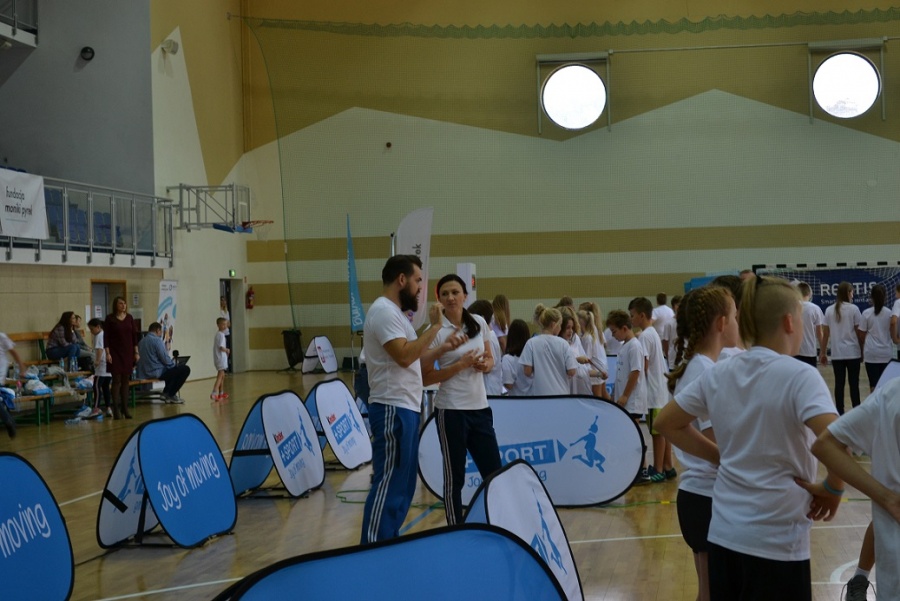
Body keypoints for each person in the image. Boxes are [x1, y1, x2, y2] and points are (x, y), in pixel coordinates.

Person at [656, 276, 843, 601]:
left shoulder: (720, 372)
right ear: (790, 322)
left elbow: (666, 423)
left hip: (725, 533)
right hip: (777, 538)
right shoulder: (800, 375)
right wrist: (833, 488)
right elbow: (837, 439)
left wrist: (721, 458)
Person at [360, 255, 466, 544]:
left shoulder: (396, 315)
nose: (421, 287)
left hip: (405, 406)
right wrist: (435, 328)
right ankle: (372, 547)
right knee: (390, 482)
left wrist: (442, 348)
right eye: (418, 280)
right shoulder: (383, 311)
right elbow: (405, 356)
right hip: (391, 407)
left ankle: (388, 541)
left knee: (404, 484)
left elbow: (415, 360)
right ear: (401, 280)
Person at [663, 286, 739, 601]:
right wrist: (732, 462)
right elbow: (711, 438)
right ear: (721, 323)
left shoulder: (699, 365)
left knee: (709, 594)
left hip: (700, 496)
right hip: (709, 497)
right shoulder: (706, 371)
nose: (739, 323)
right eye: (735, 316)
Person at [422, 274, 502, 525]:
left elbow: (490, 359)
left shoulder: (478, 322)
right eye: (445, 294)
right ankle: (454, 528)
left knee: (495, 473)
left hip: (480, 409)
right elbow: (426, 377)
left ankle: (498, 523)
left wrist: (485, 365)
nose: (450, 297)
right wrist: (459, 365)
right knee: (455, 478)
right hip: (451, 411)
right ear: (439, 299)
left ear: (465, 296)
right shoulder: (435, 331)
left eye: (455, 292)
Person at [811, 377, 900, 600]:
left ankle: (860, 577)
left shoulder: (891, 393)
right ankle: (860, 577)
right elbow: (825, 445)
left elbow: (825, 444)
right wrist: (886, 498)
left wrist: (885, 497)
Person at [630, 297, 674, 483]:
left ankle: (658, 469)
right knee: (662, 432)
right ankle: (668, 466)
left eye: (632, 315)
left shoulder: (645, 336)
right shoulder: (652, 332)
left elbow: (644, 364)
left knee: (657, 433)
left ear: (642, 315)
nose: (631, 319)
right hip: (660, 389)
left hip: (654, 391)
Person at [605, 309, 649, 484]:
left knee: (634, 436)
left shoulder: (635, 346)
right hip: (626, 399)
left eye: (614, 331)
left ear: (624, 328)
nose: (613, 336)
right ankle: (637, 469)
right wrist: (615, 393)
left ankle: (642, 470)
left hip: (633, 400)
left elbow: (635, 372)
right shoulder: (625, 346)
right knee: (630, 436)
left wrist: (624, 395)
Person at [820, 281, 863, 415]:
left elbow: (825, 334)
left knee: (839, 384)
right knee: (854, 384)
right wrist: (862, 350)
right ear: (848, 293)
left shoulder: (829, 310)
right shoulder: (854, 309)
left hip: (837, 354)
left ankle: (839, 413)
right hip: (853, 353)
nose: (853, 295)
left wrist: (822, 352)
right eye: (852, 292)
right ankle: (857, 413)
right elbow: (859, 333)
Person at [520, 305, 577, 396]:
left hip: (540, 395)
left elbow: (527, 371)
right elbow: (572, 371)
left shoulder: (531, 343)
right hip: (561, 394)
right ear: (553, 325)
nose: (560, 328)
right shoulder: (563, 344)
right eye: (560, 325)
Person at [137, 321, 191, 403]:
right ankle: (170, 394)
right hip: (156, 373)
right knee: (185, 369)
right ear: (158, 330)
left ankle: (166, 392)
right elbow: (164, 358)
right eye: (161, 331)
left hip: (144, 373)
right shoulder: (157, 341)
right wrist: (174, 365)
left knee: (171, 370)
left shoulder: (141, 342)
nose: (161, 334)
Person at [104, 297, 138, 419]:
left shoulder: (129, 318)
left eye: (124, 303)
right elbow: (106, 337)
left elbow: (134, 336)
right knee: (116, 380)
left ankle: (125, 408)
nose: (123, 305)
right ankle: (116, 409)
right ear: (116, 305)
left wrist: (136, 352)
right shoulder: (110, 318)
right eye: (120, 303)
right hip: (115, 352)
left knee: (126, 380)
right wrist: (107, 353)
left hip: (128, 352)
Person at [859, 283, 892, 392]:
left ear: (871, 297)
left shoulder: (866, 313)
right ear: (885, 297)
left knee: (873, 385)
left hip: (871, 353)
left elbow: (861, 334)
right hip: (886, 353)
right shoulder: (890, 313)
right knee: (885, 386)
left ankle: (875, 403)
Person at [468, 300, 504, 396]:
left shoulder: (489, 337)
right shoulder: (489, 335)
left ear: (481, 318)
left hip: (489, 389)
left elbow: (490, 363)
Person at [577, 307, 609, 399]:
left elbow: (587, 357)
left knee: (597, 397)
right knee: (604, 393)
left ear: (580, 323)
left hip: (595, 368)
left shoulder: (586, 338)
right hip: (601, 365)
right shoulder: (595, 330)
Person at [0, 331, 24, 437]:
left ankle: (8, 420)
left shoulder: (1, 337)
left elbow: (13, 352)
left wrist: (21, 366)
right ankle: (8, 419)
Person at [794, 282, 824, 368]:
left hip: (794, 350)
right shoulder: (815, 308)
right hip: (809, 351)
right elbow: (819, 332)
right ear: (809, 294)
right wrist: (823, 350)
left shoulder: (791, 307)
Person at [87, 318, 112, 418]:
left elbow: (99, 350)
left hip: (101, 366)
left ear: (98, 327)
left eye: (92, 329)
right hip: (108, 366)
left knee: (96, 387)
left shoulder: (99, 336)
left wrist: (97, 361)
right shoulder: (105, 334)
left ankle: (96, 408)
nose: (91, 332)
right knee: (106, 387)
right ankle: (108, 408)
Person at [501, 319, 533, 396]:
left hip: (516, 399)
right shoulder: (532, 355)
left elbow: (509, 385)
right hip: (534, 398)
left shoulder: (507, 359)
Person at [660, 295, 682, 369]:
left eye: (681, 304)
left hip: (685, 358)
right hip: (673, 358)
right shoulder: (668, 323)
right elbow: (665, 342)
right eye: (677, 305)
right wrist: (668, 356)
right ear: (673, 307)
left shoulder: (688, 322)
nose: (680, 306)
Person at [211, 317, 230, 401]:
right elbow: (221, 347)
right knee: (220, 375)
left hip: (220, 358)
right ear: (218, 325)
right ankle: (214, 392)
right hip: (220, 358)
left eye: (226, 324)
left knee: (222, 376)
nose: (225, 326)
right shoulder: (221, 335)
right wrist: (227, 350)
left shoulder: (219, 334)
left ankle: (221, 393)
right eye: (223, 324)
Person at [219, 296, 232, 373]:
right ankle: (222, 367)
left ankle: (226, 366)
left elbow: (229, 323)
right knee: (222, 350)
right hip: (222, 333)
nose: (224, 302)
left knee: (227, 350)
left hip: (227, 333)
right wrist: (225, 324)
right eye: (222, 300)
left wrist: (226, 324)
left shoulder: (227, 312)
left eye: (225, 301)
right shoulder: (219, 311)